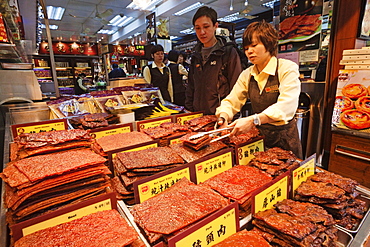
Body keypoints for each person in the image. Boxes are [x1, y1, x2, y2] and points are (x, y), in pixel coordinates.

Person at [215, 20, 303, 159]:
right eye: (246, 48)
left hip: (285, 139)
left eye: (254, 45)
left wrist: (253, 120)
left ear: (269, 43)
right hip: (259, 139)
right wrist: (223, 116)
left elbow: (287, 106)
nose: (249, 51)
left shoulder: (286, 68)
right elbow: (232, 100)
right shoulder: (247, 74)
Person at [185, 6, 242, 115]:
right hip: (198, 117)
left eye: (206, 27)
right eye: (197, 28)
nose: (202, 32)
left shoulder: (228, 53)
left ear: (215, 26)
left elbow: (237, 88)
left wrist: (230, 115)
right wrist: (189, 110)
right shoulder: (196, 55)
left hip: (221, 116)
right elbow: (191, 87)